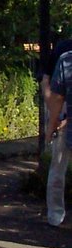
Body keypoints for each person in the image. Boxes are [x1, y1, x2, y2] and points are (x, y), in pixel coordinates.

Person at [43, 38, 72, 227]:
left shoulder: (66, 58)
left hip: (66, 120)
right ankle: (55, 215)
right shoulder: (64, 56)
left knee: (57, 169)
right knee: (57, 170)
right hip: (66, 120)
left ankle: (55, 216)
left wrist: (51, 126)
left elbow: (56, 97)